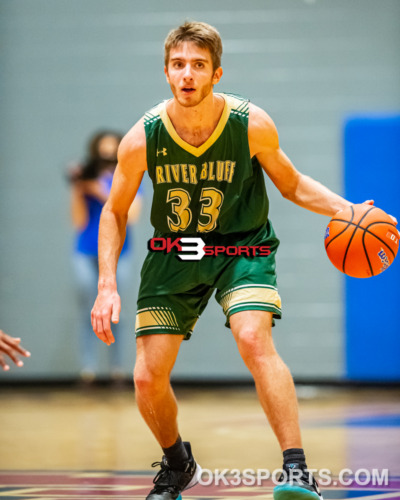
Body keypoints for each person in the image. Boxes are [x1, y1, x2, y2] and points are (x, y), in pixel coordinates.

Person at [91, 22, 371, 500]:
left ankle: (296, 469)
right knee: (145, 375)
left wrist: (348, 210)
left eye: (198, 65)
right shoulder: (142, 139)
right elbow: (114, 211)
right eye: (178, 65)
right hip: (174, 254)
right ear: (166, 72)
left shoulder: (251, 123)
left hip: (243, 249)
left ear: (216, 72)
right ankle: (178, 464)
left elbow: (292, 184)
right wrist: (106, 284)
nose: (188, 74)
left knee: (252, 338)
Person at [69, 131, 142, 383]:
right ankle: (87, 369)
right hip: (85, 250)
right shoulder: (86, 182)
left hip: (120, 252)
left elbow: (131, 216)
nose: (108, 158)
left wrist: (101, 191)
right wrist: (80, 189)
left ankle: (117, 368)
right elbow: (78, 221)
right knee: (88, 308)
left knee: (115, 310)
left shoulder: (130, 177)